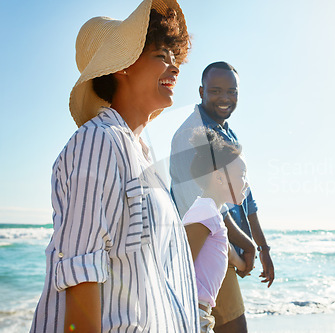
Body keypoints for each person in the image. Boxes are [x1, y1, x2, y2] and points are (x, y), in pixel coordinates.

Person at [30, 1, 199, 332]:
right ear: (123, 66)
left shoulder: (140, 154)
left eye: (174, 57)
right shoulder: (98, 141)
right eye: (161, 56)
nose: (175, 67)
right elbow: (82, 272)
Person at [170, 61, 275, 332]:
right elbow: (203, 204)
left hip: (222, 247)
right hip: (207, 246)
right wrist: (246, 246)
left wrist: (261, 248)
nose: (225, 98)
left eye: (232, 92)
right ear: (201, 91)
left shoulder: (228, 133)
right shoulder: (190, 135)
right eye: (216, 91)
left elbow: (246, 197)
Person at [182, 127, 247, 333]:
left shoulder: (211, 214)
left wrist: (244, 262)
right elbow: (179, 267)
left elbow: (223, 249)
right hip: (192, 317)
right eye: (242, 175)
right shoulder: (204, 212)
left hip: (201, 316)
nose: (246, 183)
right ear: (219, 178)